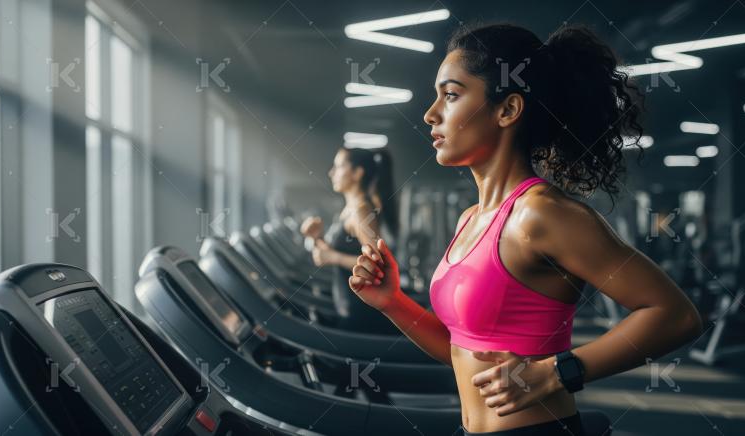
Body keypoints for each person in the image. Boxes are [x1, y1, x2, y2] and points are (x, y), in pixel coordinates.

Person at [349, 23, 703, 435]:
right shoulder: (470, 218)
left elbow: (676, 315)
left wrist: (559, 372)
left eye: (450, 94)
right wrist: (392, 302)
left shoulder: (542, 215)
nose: (431, 113)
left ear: (507, 110)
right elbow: (462, 350)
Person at [301, 146, 399, 334]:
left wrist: (333, 257)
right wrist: (317, 237)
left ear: (357, 173)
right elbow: (329, 255)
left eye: (338, 166)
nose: (331, 172)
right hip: (346, 304)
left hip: (360, 313)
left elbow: (378, 265)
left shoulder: (361, 211)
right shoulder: (350, 209)